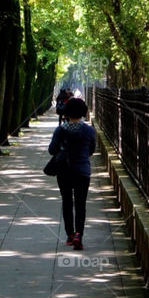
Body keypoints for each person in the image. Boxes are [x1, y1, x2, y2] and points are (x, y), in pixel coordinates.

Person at [47, 97, 96, 250]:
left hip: (64, 171)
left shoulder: (60, 130)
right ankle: (78, 235)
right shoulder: (88, 130)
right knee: (80, 204)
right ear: (83, 112)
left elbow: (52, 150)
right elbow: (92, 150)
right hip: (82, 171)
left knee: (67, 202)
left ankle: (69, 235)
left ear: (66, 113)